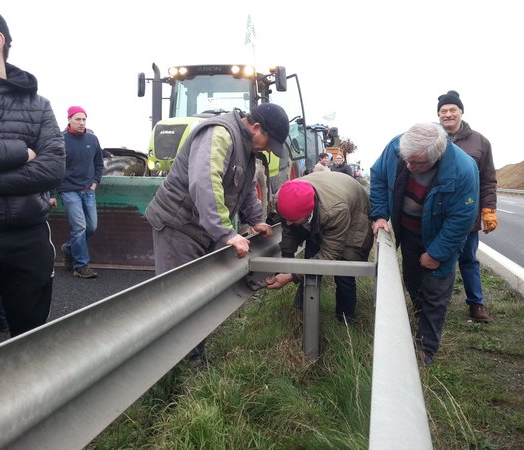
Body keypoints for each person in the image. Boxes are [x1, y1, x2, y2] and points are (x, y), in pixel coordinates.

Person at [145, 103, 287, 359]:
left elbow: (243, 187)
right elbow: (205, 184)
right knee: (180, 299)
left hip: (202, 228)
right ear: (256, 128)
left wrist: (255, 220)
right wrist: (226, 233)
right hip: (179, 225)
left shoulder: (247, 149)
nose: (268, 148)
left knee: (200, 297)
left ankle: (194, 358)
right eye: (269, 142)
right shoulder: (219, 134)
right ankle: (179, 368)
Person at [369, 122, 478, 365]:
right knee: (412, 279)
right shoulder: (397, 147)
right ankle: (420, 316)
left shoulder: (463, 170)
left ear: (436, 157)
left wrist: (437, 253)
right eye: (406, 159)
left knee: (436, 291)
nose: (408, 166)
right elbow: (377, 176)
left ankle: (425, 350)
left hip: (440, 237)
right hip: (409, 232)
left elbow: (462, 219)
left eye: (417, 163)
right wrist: (379, 215)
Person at [0, 6, 66, 336]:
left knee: (29, 339)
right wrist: (21, 153)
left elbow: (52, 168)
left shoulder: (38, 105)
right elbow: (37, 161)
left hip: (28, 238)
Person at [265, 171, 374, 323]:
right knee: (311, 257)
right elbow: (288, 230)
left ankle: (344, 321)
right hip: (328, 201)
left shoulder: (335, 210)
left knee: (344, 271)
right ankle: (300, 313)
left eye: (294, 219)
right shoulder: (283, 197)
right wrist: (286, 263)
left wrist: (292, 276)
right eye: (286, 218)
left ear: (308, 212)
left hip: (355, 211)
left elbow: (329, 255)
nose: (288, 222)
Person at [437, 90, 498, 323]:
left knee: (468, 259)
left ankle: (476, 304)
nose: (448, 114)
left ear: (461, 112)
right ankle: (436, 302)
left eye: (453, 110)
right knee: (437, 257)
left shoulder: (480, 142)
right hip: (437, 213)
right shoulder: (432, 137)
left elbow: (489, 179)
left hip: (466, 215)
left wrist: (488, 209)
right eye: (443, 111)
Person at [53, 106, 104, 279]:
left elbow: (99, 163)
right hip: (68, 190)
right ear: (69, 119)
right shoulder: (60, 140)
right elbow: (52, 168)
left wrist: (96, 182)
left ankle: (68, 249)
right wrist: (51, 194)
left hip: (88, 190)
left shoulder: (93, 139)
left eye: (84, 119)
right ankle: (81, 266)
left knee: (92, 227)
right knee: (80, 227)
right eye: (78, 119)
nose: (82, 123)